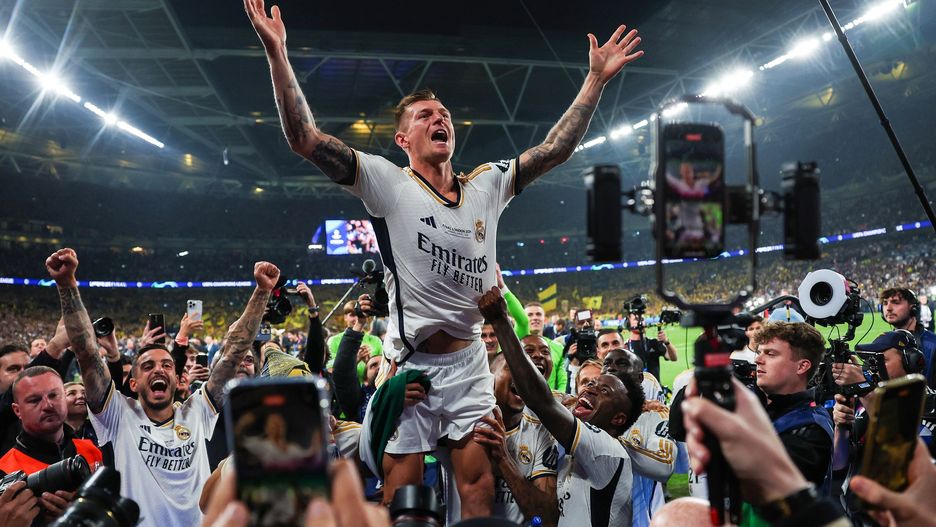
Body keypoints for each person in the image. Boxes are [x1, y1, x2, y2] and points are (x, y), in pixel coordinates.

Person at [245, 0, 644, 516]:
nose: (440, 119)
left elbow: (554, 149)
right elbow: (304, 139)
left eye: (445, 115)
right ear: (402, 138)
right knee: (403, 499)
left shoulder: (488, 183)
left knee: (477, 493)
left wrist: (594, 81)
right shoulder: (386, 182)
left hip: (469, 366)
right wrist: (277, 52)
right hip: (411, 363)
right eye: (425, 116)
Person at [44, 247, 280, 527]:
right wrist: (67, 284)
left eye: (167, 365)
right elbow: (87, 351)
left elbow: (234, 352)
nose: (159, 370)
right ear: (133, 382)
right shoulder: (118, 414)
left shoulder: (197, 412)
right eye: (148, 366)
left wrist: (262, 291)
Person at [480, 287, 642, 527]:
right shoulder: (572, 452)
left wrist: (501, 322)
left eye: (603, 390)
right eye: (592, 383)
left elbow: (540, 400)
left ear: (618, 419)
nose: (589, 389)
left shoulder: (607, 451)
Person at [0, 367, 104, 524]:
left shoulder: (91, 449)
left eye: (54, 395)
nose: (48, 405)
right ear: (17, 410)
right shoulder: (5, 472)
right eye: (34, 400)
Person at [473, 354, 559, 526]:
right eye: (511, 367)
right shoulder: (462, 422)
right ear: (489, 376)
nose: (523, 375)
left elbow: (547, 518)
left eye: (528, 371)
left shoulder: (541, 431)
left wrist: (504, 459)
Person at [880, 287, 936, 386]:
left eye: (895, 302)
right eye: (885, 303)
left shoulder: (933, 343)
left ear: (913, 307)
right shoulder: (881, 344)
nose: (888, 308)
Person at [625, 314, 677, 384]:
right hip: (635, 391)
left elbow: (674, 358)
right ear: (628, 323)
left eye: (642, 319)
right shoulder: (625, 347)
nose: (640, 322)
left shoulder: (653, 343)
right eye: (636, 319)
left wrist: (666, 342)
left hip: (654, 390)